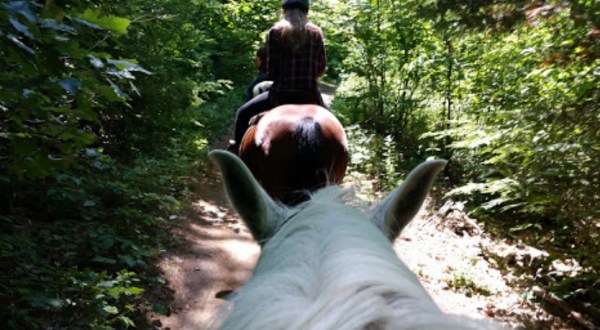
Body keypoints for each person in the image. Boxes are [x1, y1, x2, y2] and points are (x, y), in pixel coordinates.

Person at [229, 0, 326, 153]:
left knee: (243, 113)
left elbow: (272, 70)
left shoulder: (276, 31)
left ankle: (237, 151)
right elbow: (320, 69)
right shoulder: (316, 33)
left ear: (285, 10)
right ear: (306, 11)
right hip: (309, 94)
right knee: (335, 124)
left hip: (281, 94)